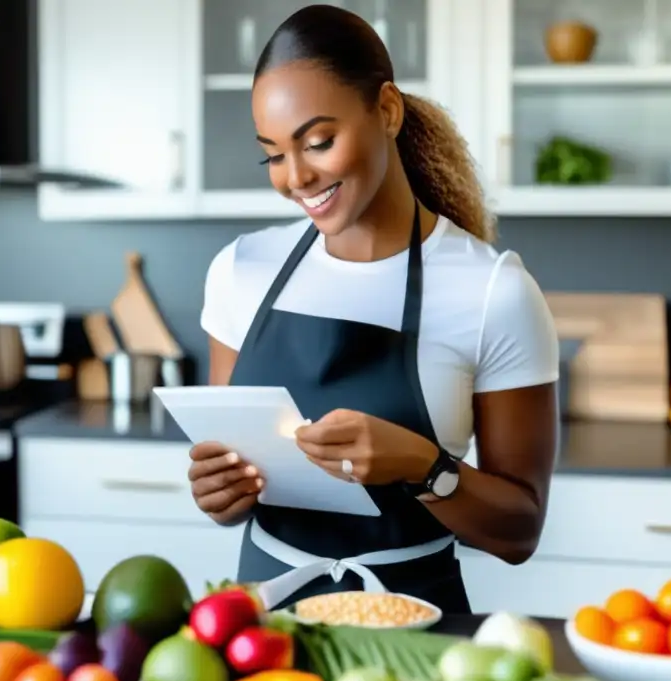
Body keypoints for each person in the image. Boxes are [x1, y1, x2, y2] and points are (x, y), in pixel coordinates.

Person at [187, 4, 559, 614]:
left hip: (414, 631)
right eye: (274, 155)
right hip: (264, 628)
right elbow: (237, 479)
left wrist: (422, 465)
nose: (297, 177)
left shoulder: (494, 291)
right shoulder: (239, 273)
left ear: (386, 111)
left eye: (318, 142)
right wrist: (221, 494)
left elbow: (520, 531)